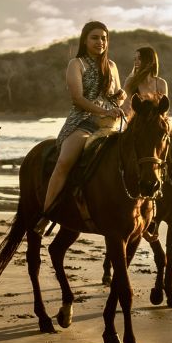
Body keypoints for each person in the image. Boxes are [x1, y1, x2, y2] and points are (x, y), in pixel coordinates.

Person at [35, 21, 125, 234]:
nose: (100, 42)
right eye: (95, 37)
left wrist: (120, 99)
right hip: (82, 122)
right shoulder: (76, 64)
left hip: (109, 124)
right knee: (64, 162)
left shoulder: (112, 66)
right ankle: (46, 214)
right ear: (85, 40)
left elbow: (118, 96)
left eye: (104, 38)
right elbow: (78, 99)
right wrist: (103, 110)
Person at [121, 46, 168, 121]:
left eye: (139, 59)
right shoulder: (130, 81)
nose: (136, 62)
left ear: (150, 61)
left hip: (155, 124)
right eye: (135, 59)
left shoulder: (161, 83)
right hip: (135, 124)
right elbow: (125, 107)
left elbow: (163, 111)